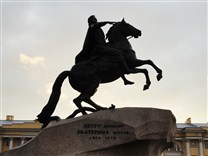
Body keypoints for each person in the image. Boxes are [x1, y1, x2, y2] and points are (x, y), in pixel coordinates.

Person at [75, 15, 134, 85]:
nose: (96, 19)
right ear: (91, 21)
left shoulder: (97, 28)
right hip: (98, 48)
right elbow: (97, 27)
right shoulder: (92, 27)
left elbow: (101, 39)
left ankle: (124, 80)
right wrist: (107, 22)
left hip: (103, 46)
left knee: (115, 58)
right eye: (94, 18)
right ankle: (127, 69)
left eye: (95, 18)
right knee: (117, 53)